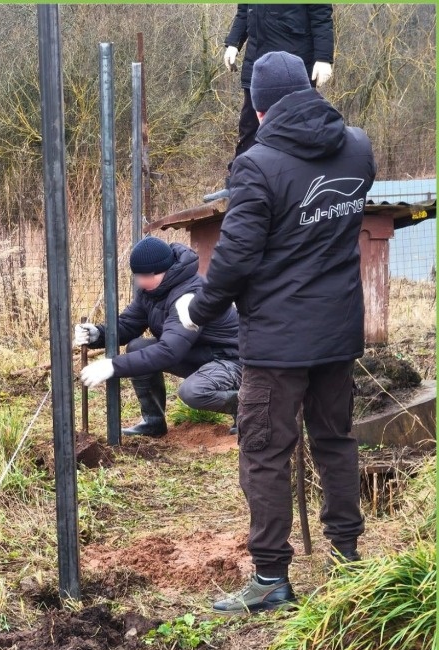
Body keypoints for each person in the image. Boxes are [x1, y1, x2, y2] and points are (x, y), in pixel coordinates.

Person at [178, 51, 376, 613]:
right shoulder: (358, 147)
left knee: (265, 450)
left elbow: (236, 255)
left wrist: (202, 307)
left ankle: (270, 578)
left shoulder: (256, 164)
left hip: (278, 343)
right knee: (335, 440)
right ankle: (347, 557)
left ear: (259, 109)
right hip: (338, 331)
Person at [76, 238, 242, 437]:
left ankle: (248, 406)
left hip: (230, 359)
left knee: (193, 392)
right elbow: (129, 324)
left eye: (143, 276)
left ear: (161, 271)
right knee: (137, 347)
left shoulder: (188, 295)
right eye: (136, 275)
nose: (138, 281)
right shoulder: (152, 290)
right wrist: (98, 334)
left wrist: (113, 366)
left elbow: (169, 351)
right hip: (197, 353)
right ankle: (153, 422)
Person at [204, 4, 334, 202]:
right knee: (249, 127)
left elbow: (321, 14)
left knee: (296, 127)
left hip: (294, 65)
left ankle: (303, 186)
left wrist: (323, 57)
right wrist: (234, 43)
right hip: (257, 62)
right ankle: (239, 187)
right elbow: (244, 10)